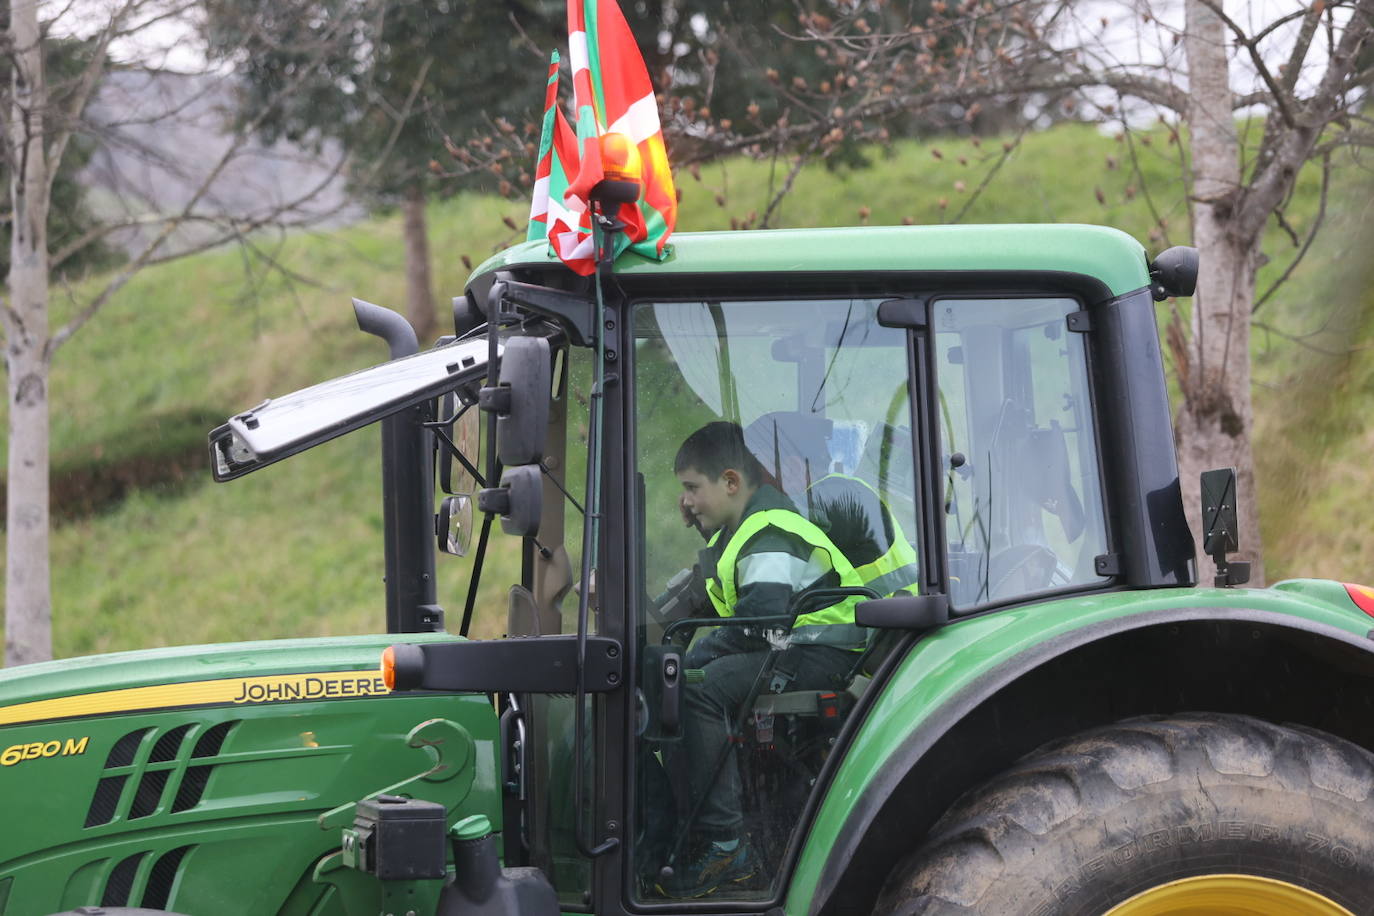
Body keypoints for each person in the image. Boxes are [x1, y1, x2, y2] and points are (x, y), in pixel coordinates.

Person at [661, 421, 867, 899]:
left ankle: (726, 843)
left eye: (692, 488)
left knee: (695, 688)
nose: (685, 501)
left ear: (731, 483)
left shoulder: (770, 531)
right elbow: (718, 604)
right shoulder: (743, 531)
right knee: (687, 677)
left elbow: (762, 622)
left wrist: (696, 655)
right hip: (795, 649)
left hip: (819, 652)